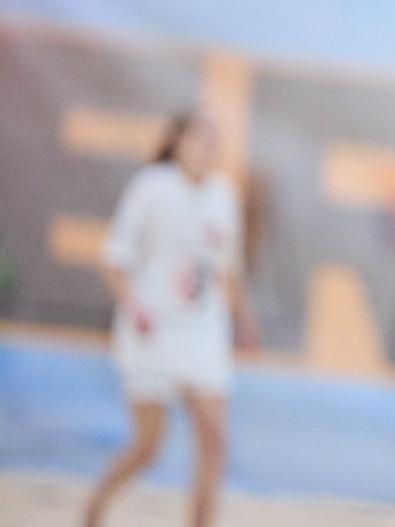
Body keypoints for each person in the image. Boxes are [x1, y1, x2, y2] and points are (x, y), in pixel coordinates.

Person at [84, 111, 258, 527]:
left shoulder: (223, 195)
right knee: (148, 447)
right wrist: (135, 307)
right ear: (177, 142)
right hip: (152, 331)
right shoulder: (151, 188)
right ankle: (95, 507)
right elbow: (114, 261)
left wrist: (243, 317)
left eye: (214, 139)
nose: (208, 147)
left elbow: (227, 268)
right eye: (199, 137)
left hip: (201, 331)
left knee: (214, 437)